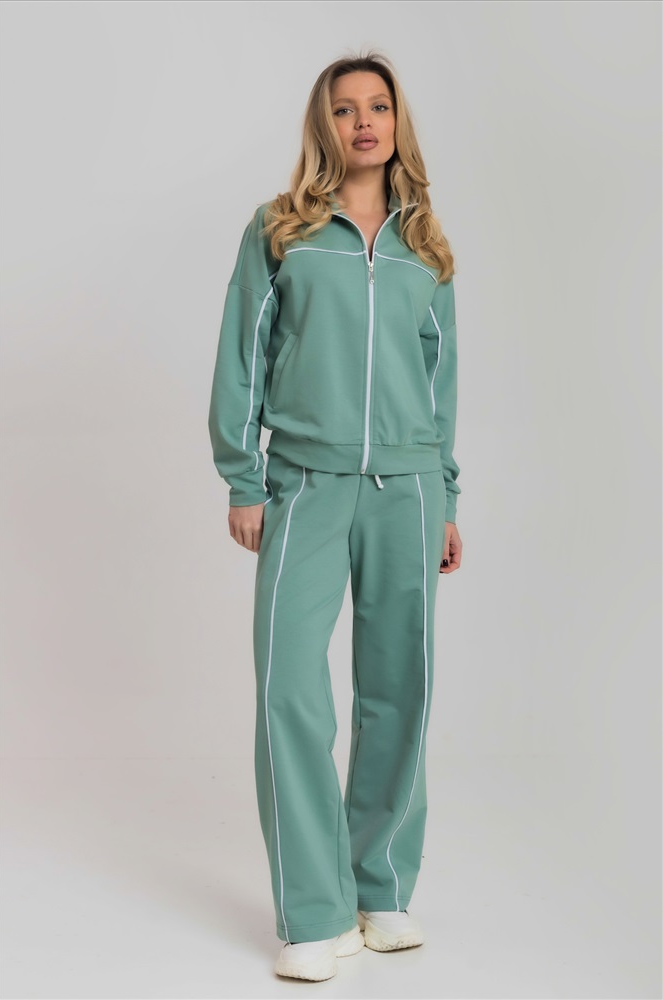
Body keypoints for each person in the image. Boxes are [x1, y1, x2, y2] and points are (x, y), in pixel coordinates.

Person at [208, 49, 463, 983]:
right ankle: (314, 911)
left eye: (379, 107)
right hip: (305, 485)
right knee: (289, 689)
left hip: (409, 489)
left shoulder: (425, 245)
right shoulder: (281, 230)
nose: (364, 122)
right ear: (325, 125)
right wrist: (243, 478)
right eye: (347, 108)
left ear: (397, 123)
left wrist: (446, 496)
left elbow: (440, 384)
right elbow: (242, 352)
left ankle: (380, 886)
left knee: (401, 689)